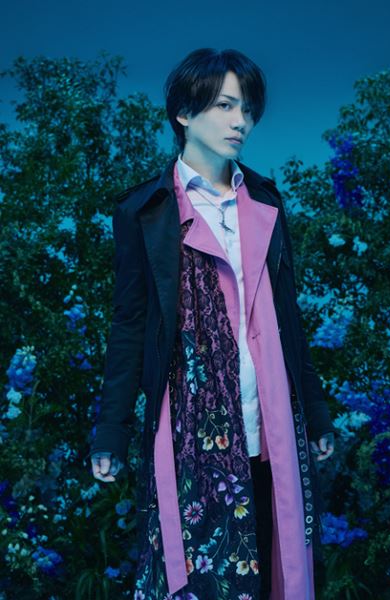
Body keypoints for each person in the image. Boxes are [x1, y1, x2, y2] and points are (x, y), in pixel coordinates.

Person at [86, 48, 335, 600]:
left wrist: (316, 413)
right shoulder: (145, 211)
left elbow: (289, 319)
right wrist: (111, 428)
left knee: (275, 567)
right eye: (224, 106)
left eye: (246, 109)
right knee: (198, 574)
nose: (240, 121)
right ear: (183, 113)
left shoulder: (265, 201)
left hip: (270, 423)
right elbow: (129, 324)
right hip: (187, 432)